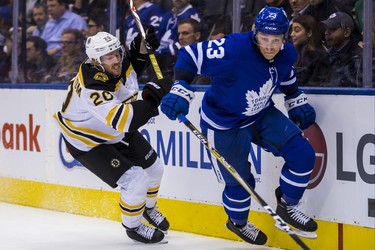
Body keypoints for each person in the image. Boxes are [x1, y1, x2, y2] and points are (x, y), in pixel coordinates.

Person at [160, 6, 318, 245]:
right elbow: (189, 56)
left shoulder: (287, 53)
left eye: (275, 40)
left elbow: (285, 74)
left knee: (303, 154)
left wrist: (295, 98)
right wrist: (181, 88)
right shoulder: (234, 48)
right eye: (264, 39)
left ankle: (287, 205)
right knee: (240, 184)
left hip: (262, 115)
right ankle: (238, 223)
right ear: (255, 32)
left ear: (284, 37)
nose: (269, 46)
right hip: (224, 124)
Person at [52, 29, 172, 243]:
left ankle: (148, 208)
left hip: (109, 129)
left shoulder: (108, 64)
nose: (116, 59)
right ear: (97, 61)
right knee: (135, 180)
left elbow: (128, 68)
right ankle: (133, 227)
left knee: (155, 168)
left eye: (118, 53)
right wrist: (153, 98)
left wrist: (140, 49)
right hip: (88, 140)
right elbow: (125, 120)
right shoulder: (92, 87)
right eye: (110, 57)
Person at [309, 12, 363, 87]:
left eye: (332, 29)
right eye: (326, 28)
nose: (326, 32)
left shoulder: (358, 57)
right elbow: (313, 84)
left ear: (346, 32)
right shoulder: (326, 57)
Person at [289, 14, 326, 85]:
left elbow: (315, 85)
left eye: (296, 30)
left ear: (309, 33)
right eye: (292, 30)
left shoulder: (320, 57)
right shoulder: (293, 55)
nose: (291, 34)